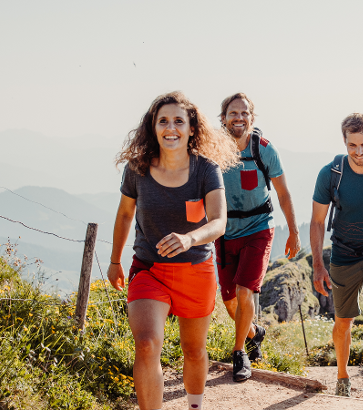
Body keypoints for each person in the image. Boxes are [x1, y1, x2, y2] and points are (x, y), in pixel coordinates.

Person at [108, 91, 239, 410]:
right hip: (149, 271)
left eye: (179, 121)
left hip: (196, 271)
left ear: (192, 128)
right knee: (147, 344)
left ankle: (194, 405)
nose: (171, 128)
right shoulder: (137, 169)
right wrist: (115, 261)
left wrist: (189, 238)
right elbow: (126, 214)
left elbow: (219, 221)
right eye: (162, 121)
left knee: (193, 350)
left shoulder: (206, 170)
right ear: (152, 127)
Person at [310, 113, 363, 409]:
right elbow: (318, 222)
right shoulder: (332, 172)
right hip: (344, 253)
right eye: (352, 145)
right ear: (344, 142)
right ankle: (343, 377)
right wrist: (318, 265)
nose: (359, 152)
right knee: (343, 321)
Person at [215, 92, 300, 382]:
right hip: (225, 232)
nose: (239, 118)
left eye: (244, 113)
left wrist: (293, 232)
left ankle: (239, 353)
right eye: (232, 113)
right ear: (223, 118)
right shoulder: (213, 149)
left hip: (258, 229)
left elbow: (284, 193)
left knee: (244, 291)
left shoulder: (264, 149)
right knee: (228, 301)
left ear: (252, 117)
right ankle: (254, 333)